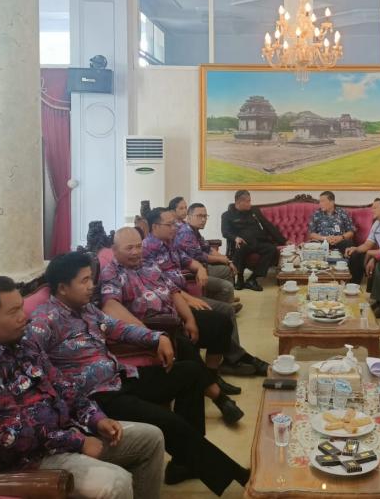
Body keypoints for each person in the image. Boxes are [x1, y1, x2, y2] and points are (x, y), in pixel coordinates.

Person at [28, 252, 249, 495]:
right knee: (169, 423)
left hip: (120, 377)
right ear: (62, 288)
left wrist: (157, 337)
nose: (92, 286)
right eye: (84, 281)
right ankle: (239, 479)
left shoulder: (86, 308)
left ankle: (184, 463)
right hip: (96, 397)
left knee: (191, 372)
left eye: (91, 278)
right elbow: (36, 374)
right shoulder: (43, 322)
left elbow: (118, 328)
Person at [0, 276, 165, 499]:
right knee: (115, 483)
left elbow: (64, 386)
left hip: (66, 434)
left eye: (21, 308)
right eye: (13, 312)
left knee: (151, 438)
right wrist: (78, 442)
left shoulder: (22, 344)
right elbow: (13, 437)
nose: (24, 317)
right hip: (28, 463)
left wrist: (95, 418)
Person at [100, 227, 246, 422]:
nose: (135, 252)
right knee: (185, 347)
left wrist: (190, 320)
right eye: (129, 248)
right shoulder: (111, 273)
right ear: (115, 250)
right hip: (152, 325)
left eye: (138, 246)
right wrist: (147, 333)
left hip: (174, 318)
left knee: (220, 322)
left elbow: (173, 291)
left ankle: (213, 378)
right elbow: (110, 305)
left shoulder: (148, 263)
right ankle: (218, 396)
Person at [145, 208, 268, 377]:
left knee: (225, 309)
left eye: (175, 224)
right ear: (155, 226)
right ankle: (234, 358)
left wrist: (200, 269)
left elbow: (187, 260)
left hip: (184, 292)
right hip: (173, 301)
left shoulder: (169, 243)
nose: (175, 227)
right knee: (224, 311)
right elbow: (161, 285)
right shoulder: (147, 250)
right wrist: (189, 299)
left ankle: (232, 358)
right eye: (170, 224)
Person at [221, 189, 288, 291]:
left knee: (271, 249)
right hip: (243, 243)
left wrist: (284, 241)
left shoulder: (254, 211)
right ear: (239, 202)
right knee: (240, 248)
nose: (250, 204)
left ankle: (252, 279)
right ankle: (240, 279)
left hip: (259, 242)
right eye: (248, 201)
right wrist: (235, 238)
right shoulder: (227, 215)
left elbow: (268, 225)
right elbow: (225, 232)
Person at [175, 202, 240, 300]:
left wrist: (226, 259)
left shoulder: (194, 230)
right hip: (191, 270)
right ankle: (225, 300)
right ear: (189, 217)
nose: (203, 219)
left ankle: (227, 298)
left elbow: (208, 248)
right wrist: (222, 260)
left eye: (205, 216)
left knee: (227, 267)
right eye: (199, 216)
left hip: (202, 265)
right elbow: (199, 256)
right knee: (227, 273)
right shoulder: (185, 233)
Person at [344, 197, 380, 286]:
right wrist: (355, 249)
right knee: (355, 254)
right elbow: (368, 244)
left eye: (375, 208)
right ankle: (354, 286)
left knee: (375, 260)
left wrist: (371, 254)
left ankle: (373, 293)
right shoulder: (377, 223)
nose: (372, 211)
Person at [307, 190, 355, 254]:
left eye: (323, 201)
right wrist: (325, 238)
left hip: (339, 241)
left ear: (332, 202)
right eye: (320, 201)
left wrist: (341, 237)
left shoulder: (342, 213)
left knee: (349, 245)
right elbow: (311, 233)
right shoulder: (317, 214)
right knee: (313, 245)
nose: (320, 204)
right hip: (322, 242)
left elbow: (351, 231)